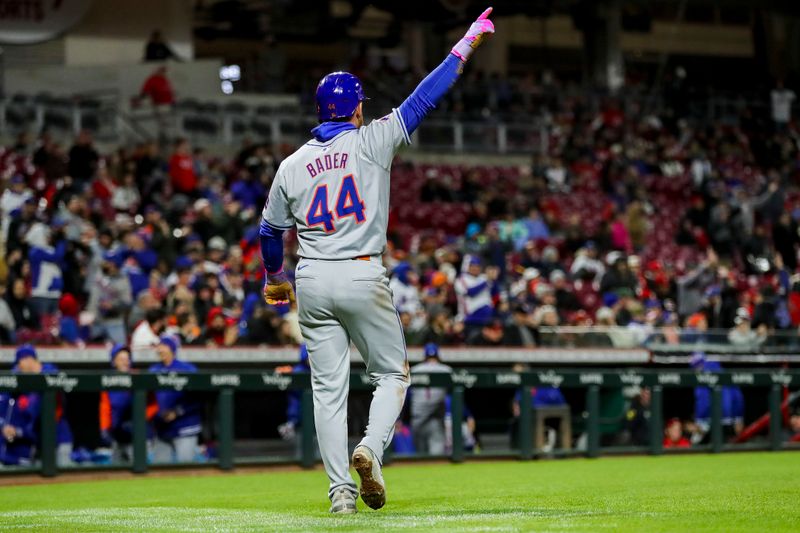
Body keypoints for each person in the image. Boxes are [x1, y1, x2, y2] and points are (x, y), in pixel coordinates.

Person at [258, 7, 494, 514]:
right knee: (391, 374)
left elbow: (269, 232)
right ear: (356, 110)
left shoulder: (290, 165)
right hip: (362, 270)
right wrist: (466, 44)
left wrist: (274, 279)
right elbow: (426, 95)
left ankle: (340, 493)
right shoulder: (372, 140)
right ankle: (370, 448)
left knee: (328, 391)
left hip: (313, 279)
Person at [3, 345, 74, 466]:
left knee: (63, 478)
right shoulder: (29, 388)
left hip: (59, 438)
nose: (19, 368)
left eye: (19, 363)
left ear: (28, 359)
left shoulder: (50, 372)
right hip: (40, 441)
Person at [99, 345, 158, 461]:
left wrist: (142, 419)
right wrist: (104, 427)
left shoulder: (138, 377)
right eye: (121, 359)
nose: (125, 362)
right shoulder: (108, 380)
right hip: (118, 435)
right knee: (117, 472)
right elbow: (105, 406)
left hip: (140, 435)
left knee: (140, 469)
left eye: (127, 359)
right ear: (114, 362)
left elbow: (153, 404)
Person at [148, 336, 201, 463]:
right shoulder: (153, 371)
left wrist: (177, 411)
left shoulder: (188, 369)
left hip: (185, 426)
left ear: (172, 349)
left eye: (164, 346)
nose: (160, 350)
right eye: (159, 347)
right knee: (159, 471)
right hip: (162, 428)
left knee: (186, 470)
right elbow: (148, 399)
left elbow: (198, 398)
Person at [409, 343, 452, 456]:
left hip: (417, 420)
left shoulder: (414, 370)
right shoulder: (446, 370)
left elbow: (406, 397)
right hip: (435, 420)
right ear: (438, 356)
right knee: (435, 459)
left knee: (420, 458)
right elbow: (454, 395)